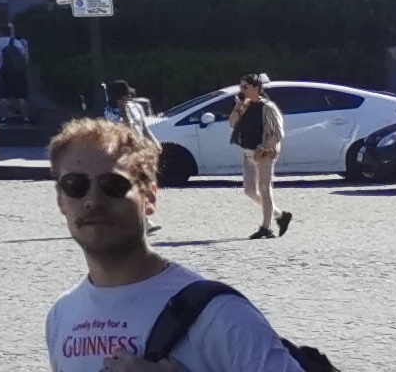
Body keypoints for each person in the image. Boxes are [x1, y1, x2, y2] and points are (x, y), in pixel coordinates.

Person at [43, 117, 309, 371]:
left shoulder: (221, 315)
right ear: (60, 201)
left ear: (149, 196)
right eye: (74, 185)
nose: (92, 201)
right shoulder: (62, 315)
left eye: (113, 184)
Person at [229, 77, 288, 240]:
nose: (242, 90)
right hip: (248, 152)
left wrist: (263, 148)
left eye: (245, 86)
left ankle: (265, 227)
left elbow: (277, 133)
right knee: (249, 190)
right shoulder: (245, 105)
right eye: (241, 87)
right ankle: (280, 215)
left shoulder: (268, 107)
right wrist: (237, 109)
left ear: (256, 88)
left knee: (264, 188)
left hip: (264, 153)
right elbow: (232, 123)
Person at [0, 25, 34, 165]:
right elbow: (25, 57)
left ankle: (4, 117)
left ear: (0, 32)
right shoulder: (16, 42)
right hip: (19, 72)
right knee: (21, 96)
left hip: (4, 72)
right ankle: (26, 118)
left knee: (3, 96)